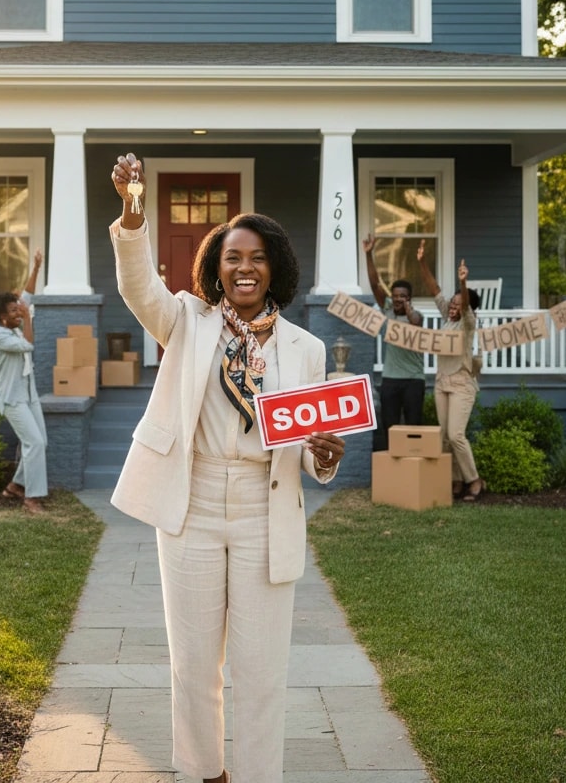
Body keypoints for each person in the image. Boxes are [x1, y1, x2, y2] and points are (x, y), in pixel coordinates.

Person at [109, 153, 345, 783]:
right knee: (192, 663)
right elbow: (137, 286)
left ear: (276, 268)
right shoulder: (187, 320)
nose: (245, 267)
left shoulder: (307, 348)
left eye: (257, 256)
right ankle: (203, 772)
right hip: (193, 502)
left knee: (262, 668)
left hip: (266, 509)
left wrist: (324, 455)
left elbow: (309, 444)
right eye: (232, 257)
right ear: (216, 266)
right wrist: (134, 211)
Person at [416, 241, 485, 501]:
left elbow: (465, 305)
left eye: (458, 304)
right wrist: (422, 262)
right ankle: (455, 482)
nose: (453, 307)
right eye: (452, 304)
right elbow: (434, 289)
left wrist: (463, 283)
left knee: (456, 434)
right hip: (442, 382)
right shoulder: (448, 317)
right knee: (444, 436)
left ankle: (474, 480)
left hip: (462, 384)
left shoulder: (467, 323)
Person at [0, 249, 49, 515]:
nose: (20, 312)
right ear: (3, 316)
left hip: (28, 394)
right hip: (12, 398)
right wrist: (29, 318)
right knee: (33, 443)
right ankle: (31, 499)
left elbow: (27, 296)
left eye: (19, 309)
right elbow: (29, 345)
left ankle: (15, 486)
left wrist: (35, 267)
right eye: (15, 311)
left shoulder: (10, 323)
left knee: (39, 442)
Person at [362, 233, 425, 450]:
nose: (398, 299)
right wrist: (369, 254)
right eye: (396, 296)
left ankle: (412, 467)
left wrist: (407, 309)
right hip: (390, 379)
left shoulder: (417, 315)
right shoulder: (387, 310)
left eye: (403, 296)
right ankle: (391, 469)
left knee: (413, 427)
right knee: (389, 426)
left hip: (414, 380)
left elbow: (415, 324)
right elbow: (374, 284)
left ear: (409, 298)